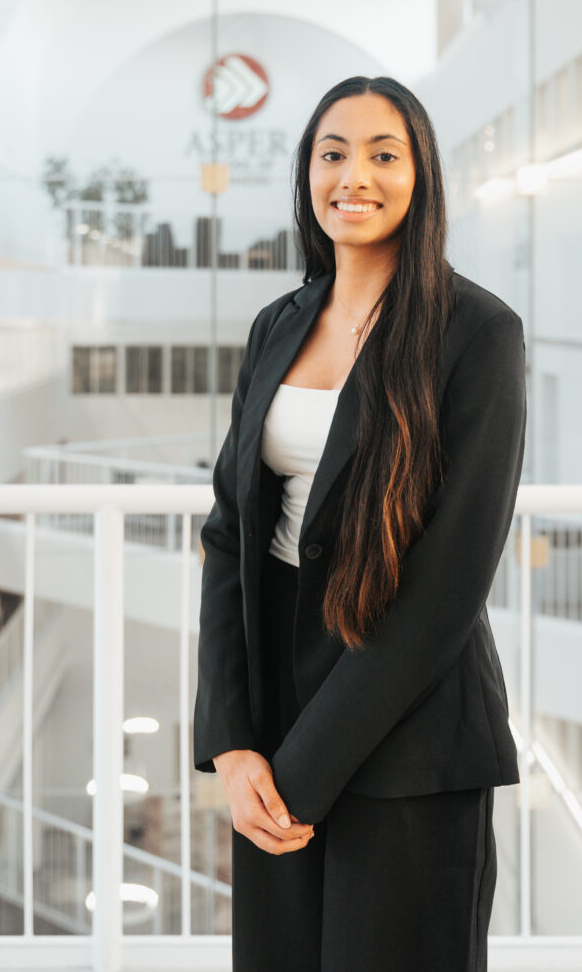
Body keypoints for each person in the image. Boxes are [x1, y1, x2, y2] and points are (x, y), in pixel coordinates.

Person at [193, 75, 527, 972]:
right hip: (274, 715)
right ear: (307, 172)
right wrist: (232, 742)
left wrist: (304, 769)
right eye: (332, 153)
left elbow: (448, 582)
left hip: (409, 723)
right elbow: (229, 531)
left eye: (384, 155)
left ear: (421, 176)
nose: (355, 177)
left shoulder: (476, 332)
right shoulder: (278, 324)